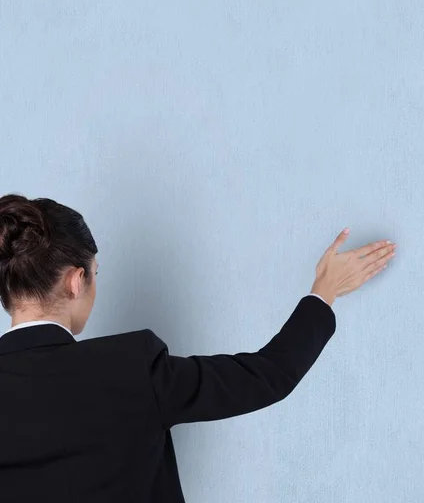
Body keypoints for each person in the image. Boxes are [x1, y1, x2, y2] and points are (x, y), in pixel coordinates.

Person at [0, 193, 396, 503]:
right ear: (75, 281)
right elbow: (266, 376)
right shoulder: (130, 369)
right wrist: (322, 293)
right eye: (96, 275)